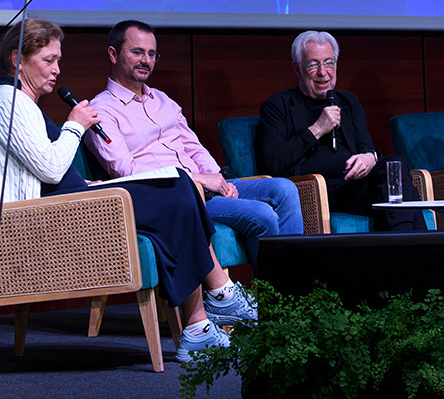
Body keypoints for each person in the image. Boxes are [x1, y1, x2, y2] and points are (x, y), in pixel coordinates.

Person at [0, 19, 254, 363]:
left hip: (69, 202)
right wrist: (75, 124)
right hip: (37, 221)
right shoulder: (6, 101)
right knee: (178, 186)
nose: (57, 70)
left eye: (59, 60)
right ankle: (219, 299)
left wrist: (88, 184)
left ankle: (200, 324)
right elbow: (49, 167)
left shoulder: (19, 101)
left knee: (179, 185)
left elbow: (39, 168)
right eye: (48, 60)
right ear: (17, 59)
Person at [87, 20, 304, 249]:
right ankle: (271, 285)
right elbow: (127, 172)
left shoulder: (162, 100)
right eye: (137, 52)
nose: (146, 61)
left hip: (205, 187)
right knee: (261, 213)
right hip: (175, 197)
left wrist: (216, 178)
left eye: (152, 54)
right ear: (113, 54)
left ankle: (291, 282)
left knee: (285, 189)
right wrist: (198, 180)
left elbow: (193, 146)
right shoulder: (101, 110)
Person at [256, 30, 424, 231]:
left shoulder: (348, 102)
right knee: (404, 199)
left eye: (329, 63)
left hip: (353, 186)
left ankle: (403, 243)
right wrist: (318, 128)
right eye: (313, 64)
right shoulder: (277, 105)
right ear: (297, 68)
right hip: (316, 191)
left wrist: (370, 157)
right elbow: (274, 162)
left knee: (394, 165)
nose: (323, 72)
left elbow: (365, 147)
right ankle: (416, 250)